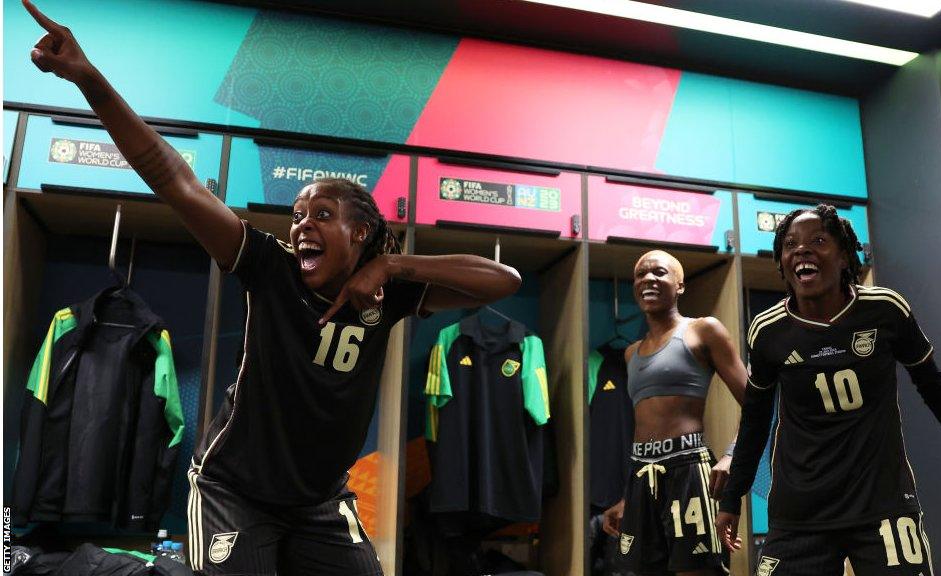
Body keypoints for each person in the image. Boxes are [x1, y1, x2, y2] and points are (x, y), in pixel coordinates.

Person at [22, 2, 522, 574]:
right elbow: (173, 178)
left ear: (361, 232)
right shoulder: (269, 265)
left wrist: (393, 269)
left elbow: (502, 280)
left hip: (319, 501)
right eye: (298, 213)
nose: (302, 224)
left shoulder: (392, 295)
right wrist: (88, 77)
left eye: (322, 214)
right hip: (234, 490)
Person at [715, 205, 941, 575]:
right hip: (801, 514)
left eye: (818, 241)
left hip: (883, 503)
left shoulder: (885, 310)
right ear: (782, 263)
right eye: (790, 244)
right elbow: (755, 420)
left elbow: (936, 389)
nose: (802, 250)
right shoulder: (768, 331)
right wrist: (732, 499)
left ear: (844, 256)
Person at [602, 250, 748, 575]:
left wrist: (731, 454)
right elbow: (647, 426)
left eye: (659, 272)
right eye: (641, 274)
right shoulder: (630, 354)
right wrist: (629, 497)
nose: (648, 279)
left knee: (696, 570)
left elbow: (755, 403)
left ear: (680, 285)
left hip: (689, 469)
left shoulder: (703, 330)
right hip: (641, 473)